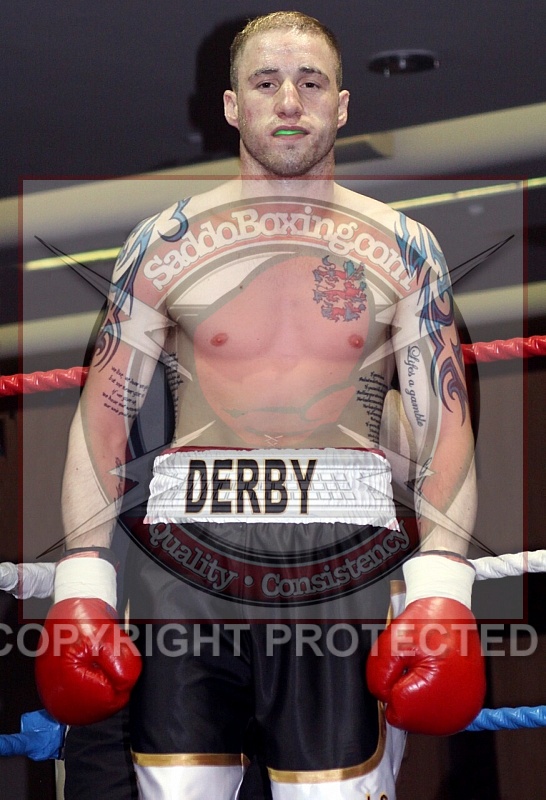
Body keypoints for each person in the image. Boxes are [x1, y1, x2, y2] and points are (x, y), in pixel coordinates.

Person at [35, 11, 485, 800]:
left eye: (310, 83)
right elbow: (100, 425)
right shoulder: (162, 243)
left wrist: (445, 587)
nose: (288, 102)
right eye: (266, 82)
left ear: (341, 105)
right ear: (232, 105)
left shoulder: (405, 248)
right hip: (186, 552)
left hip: (341, 549)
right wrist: (82, 582)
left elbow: (442, 429)